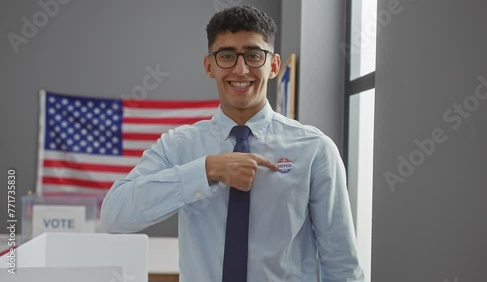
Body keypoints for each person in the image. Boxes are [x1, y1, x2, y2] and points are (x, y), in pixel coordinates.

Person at [101, 5, 364, 282]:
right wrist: (206, 170)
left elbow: (342, 265)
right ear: (209, 66)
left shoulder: (315, 149)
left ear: (273, 65)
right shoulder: (177, 146)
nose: (241, 70)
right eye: (227, 56)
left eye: (253, 55)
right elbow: (115, 215)